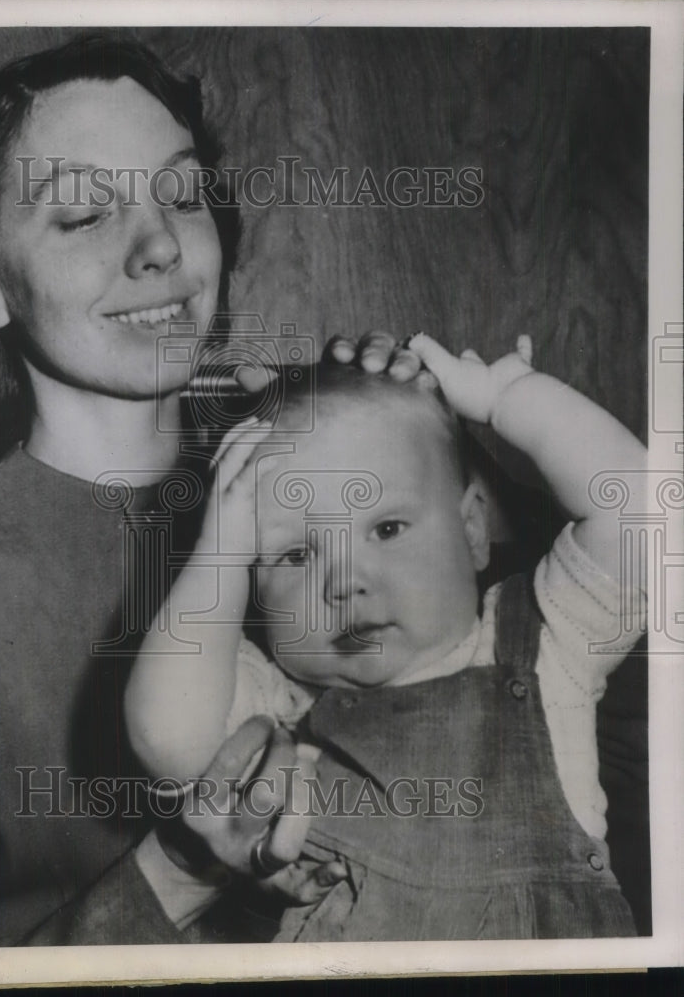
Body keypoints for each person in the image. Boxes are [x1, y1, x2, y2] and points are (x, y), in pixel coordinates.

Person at [0, 34, 425, 951]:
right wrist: (181, 870)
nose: (160, 244)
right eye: (83, 215)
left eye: (182, 192)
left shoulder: (326, 478)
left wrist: (430, 441)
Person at [125, 334, 648, 939]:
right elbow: (166, 737)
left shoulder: (547, 647)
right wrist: (217, 551)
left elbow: (641, 510)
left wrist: (507, 397)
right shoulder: (277, 710)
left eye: (388, 527)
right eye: (294, 554)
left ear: (473, 529)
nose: (344, 581)